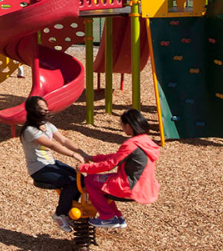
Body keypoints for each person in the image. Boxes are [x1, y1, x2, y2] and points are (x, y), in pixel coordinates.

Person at [78, 109, 160, 229]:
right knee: (102, 183)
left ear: (128, 126)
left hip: (130, 186)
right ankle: (117, 216)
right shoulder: (146, 141)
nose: (122, 128)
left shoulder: (132, 144)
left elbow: (110, 164)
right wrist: (95, 158)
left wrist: (84, 168)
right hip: (145, 186)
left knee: (90, 180)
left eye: (122, 125)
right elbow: (117, 157)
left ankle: (107, 217)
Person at [19, 96, 90, 233]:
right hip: (39, 169)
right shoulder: (29, 131)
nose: (45, 110)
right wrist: (74, 155)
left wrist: (81, 151)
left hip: (51, 163)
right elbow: (52, 144)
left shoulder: (48, 126)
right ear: (32, 110)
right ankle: (60, 214)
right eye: (41, 108)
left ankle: (69, 213)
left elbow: (63, 140)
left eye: (45, 107)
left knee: (81, 180)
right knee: (71, 182)